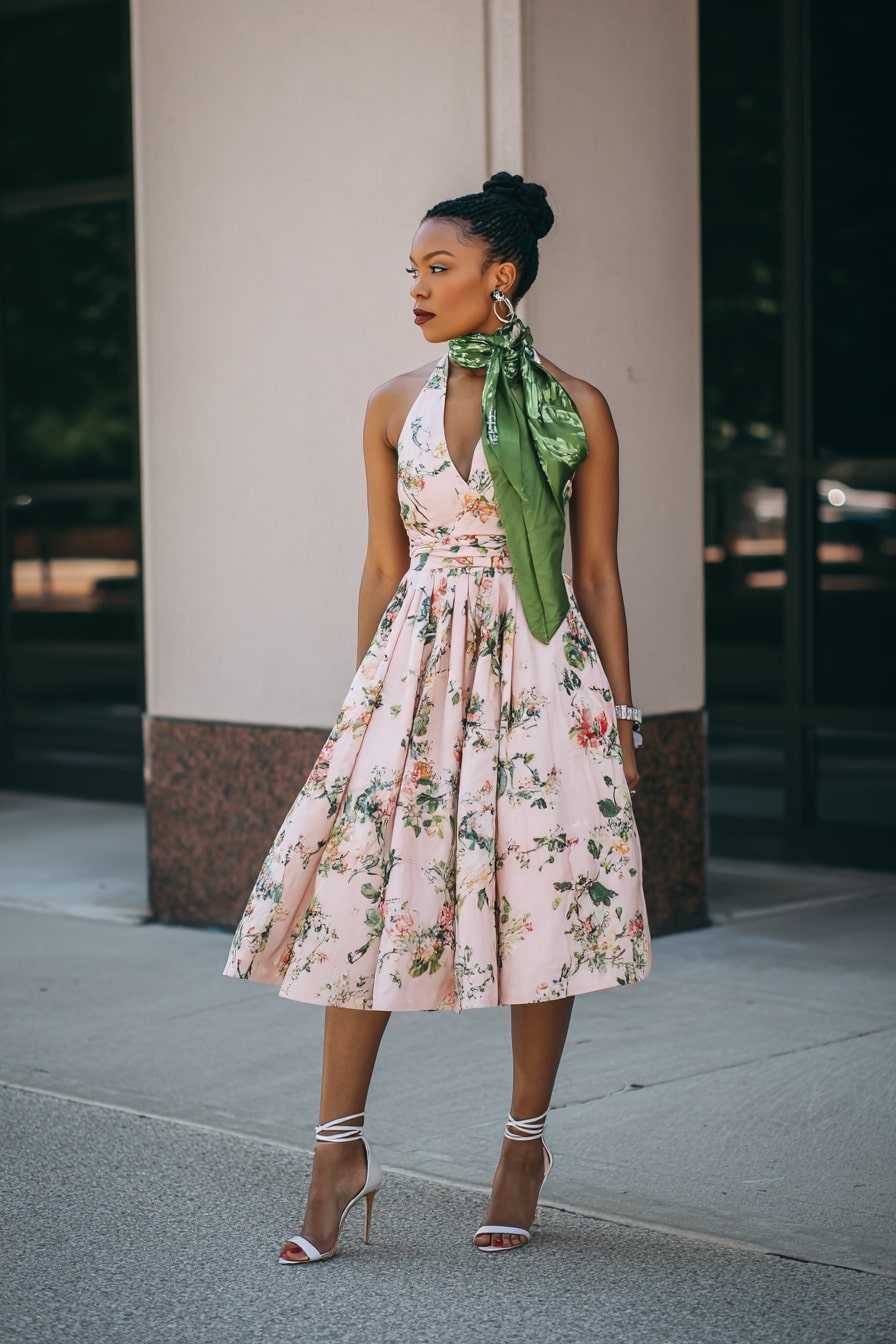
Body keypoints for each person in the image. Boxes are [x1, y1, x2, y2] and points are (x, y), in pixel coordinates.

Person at [223, 171, 653, 1262]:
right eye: (410, 270)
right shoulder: (385, 406)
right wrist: (361, 706)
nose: (415, 287)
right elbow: (381, 564)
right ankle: (335, 1155)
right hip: (412, 673)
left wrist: (625, 715)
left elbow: (595, 573)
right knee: (357, 900)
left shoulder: (575, 405)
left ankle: (521, 1149)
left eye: (439, 267)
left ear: (498, 276)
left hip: (540, 668)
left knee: (544, 898)